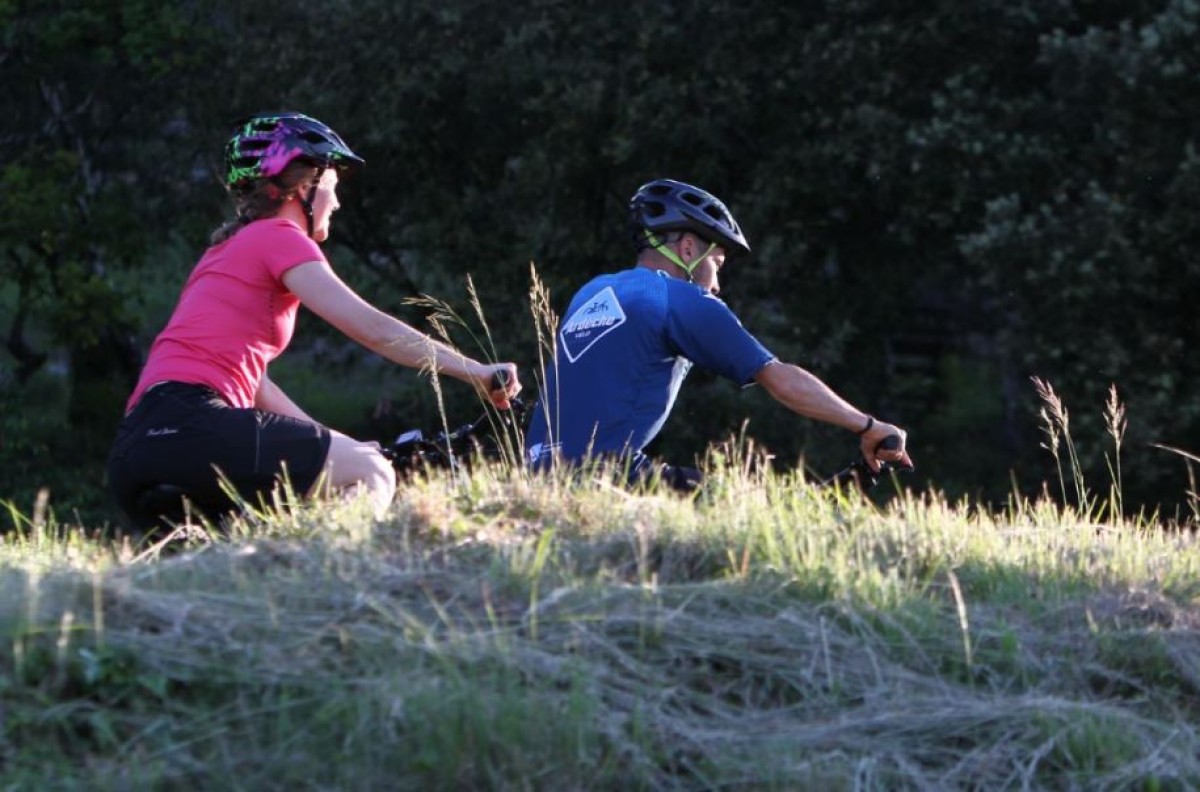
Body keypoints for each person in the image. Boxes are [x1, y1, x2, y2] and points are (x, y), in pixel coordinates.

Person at [107, 111, 521, 529]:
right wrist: (478, 372)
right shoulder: (277, 237)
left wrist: (341, 446)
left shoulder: (219, 256)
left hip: (136, 450)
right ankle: (330, 576)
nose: (337, 202)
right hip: (195, 424)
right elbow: (375, 331)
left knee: (240, 554)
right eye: (331, 186)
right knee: (373, 476)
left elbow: (256, 386)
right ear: (302, 187)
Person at [525, 177, 910, 491]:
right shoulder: (679, 298)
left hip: (537, 476)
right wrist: (869, 426)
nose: (717, 284)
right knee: (745, 509)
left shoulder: (592, 292)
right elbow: (782, 382)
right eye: (718, 263)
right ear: (689, 247)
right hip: (605, 478)